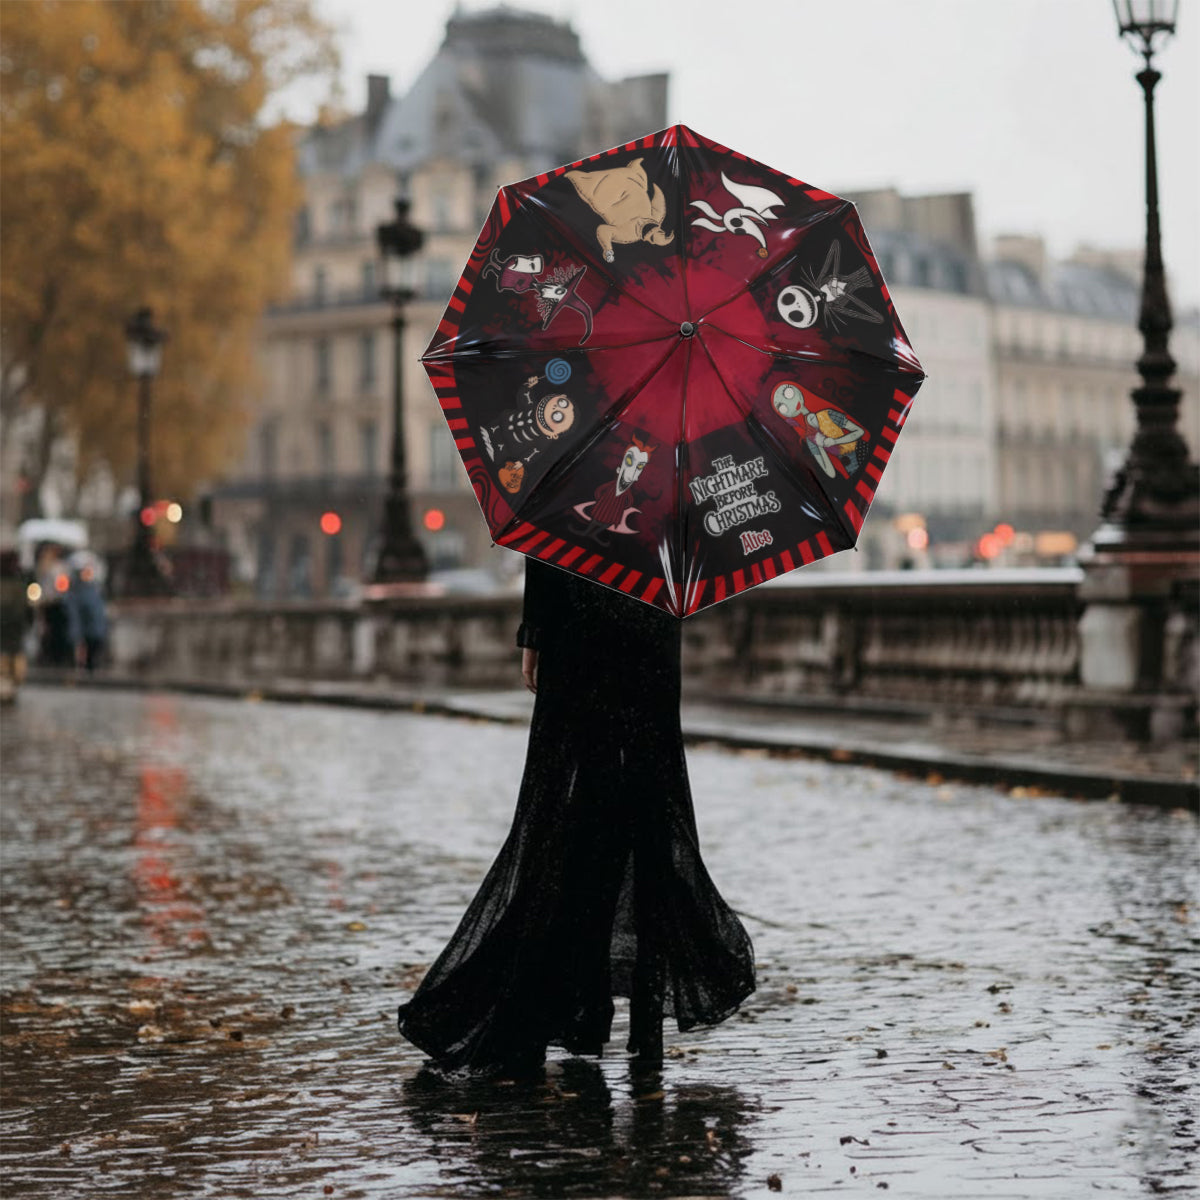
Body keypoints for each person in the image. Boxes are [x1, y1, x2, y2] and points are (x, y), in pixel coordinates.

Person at [396, 557, 756, 1076]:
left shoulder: (571, 477)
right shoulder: (672, 475)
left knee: (575, 812)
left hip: (580, 618)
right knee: (645, 811)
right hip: (648, 620)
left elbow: (548, 543)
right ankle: (638, 1016)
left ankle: (565, 998)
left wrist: (534, 632)